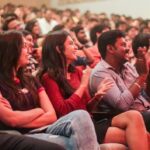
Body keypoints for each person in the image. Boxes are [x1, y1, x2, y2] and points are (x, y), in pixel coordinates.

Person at [39, 30, 149, 150]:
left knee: (135, 118)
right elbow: (63, 112)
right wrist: (82, 86)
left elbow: (87, 108)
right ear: (59, 49)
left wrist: (97, 97)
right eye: (71, 44)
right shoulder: (48, 78)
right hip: (74, 125)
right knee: (143, 135)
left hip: (91, 120)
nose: (76, 47)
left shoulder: (77, 72)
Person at [0, 30, 100, 150]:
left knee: (81, 116)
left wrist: (24, 118)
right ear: (12, 51)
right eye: (24, 47)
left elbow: (51, 115)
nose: (29, 51)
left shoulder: (30, 80)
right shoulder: (46, 77)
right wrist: (38, 110)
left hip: (46, 127)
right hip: (20, 135)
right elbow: (12, 120)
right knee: (71, 142)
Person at [89, 30, 150, 131]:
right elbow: (122, 105)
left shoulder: (127, 66)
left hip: (144, 110)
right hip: (125, 118)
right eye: (123, 45)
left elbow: (143, 91)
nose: (128, 49)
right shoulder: (100, 74)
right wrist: (141, 77)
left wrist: (146, 74)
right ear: (110, 49)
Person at [0, 133, 65, 150]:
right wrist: (39, 110)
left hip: (45, 126)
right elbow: (13, 120)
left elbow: (52, 117)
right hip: (25, 133)